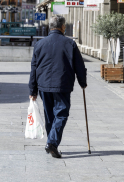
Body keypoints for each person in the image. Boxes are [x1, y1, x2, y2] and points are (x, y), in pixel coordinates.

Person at [28, 15, 87, 158]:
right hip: (62, 85)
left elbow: (34, 68)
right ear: (62, 27)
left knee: (50, 116)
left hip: (44, 85)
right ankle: (52, 143)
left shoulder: (40, 44)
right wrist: (82, 82)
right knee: (61, 114)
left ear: (50, 27)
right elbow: (80, 66)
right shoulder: (69, 44)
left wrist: (32, 89)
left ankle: (51, 143)